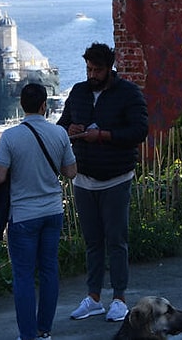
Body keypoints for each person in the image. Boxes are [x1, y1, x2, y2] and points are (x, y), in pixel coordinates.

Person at [57, 42, 148, 323]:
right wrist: (68, 129)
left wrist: (105, 136)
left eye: (97, 70)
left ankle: (119, 298)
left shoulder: (128, 93)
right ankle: (93, 297)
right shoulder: (79, 92)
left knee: (117, 240)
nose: (91, 74)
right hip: (84, 178)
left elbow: (139, 131)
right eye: (88, 69)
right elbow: (61, 124)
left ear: (110, 68)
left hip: (116, 178)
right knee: (93, 241)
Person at [0, 83, 78, 340]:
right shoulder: (59, 134)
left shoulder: (10, 137)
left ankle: (28, 334)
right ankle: (45, 330)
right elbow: (71, 172)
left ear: (22, 105)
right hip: (52, 211)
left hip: (23, 215)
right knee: (50, 271)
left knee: (24, 277)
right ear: (44, 106)